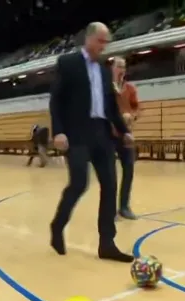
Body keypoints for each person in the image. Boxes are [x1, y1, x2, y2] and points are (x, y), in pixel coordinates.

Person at [49, 22, 134, 263]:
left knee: (109, 185)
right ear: (88, 39)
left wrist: (123, 130)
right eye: (100, 41)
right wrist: (59, 132)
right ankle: (58, 225)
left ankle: (107, 243)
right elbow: (56, 100)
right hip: (76, 134)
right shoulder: (68, 63)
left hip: (101, 133)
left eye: (106, 43)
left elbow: (110, 107)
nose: (104, 47)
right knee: (79, 183)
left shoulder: (105, 71)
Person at [111, 57, 139, 220]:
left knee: (128, 171)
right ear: (112, 68)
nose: (121, 70)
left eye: (124, 67)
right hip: (108, 135)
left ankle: (124, 207)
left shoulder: (130, 88)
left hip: (126, 136)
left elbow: (137, 107)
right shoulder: (106, 89)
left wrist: (132, 116)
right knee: (109, 175)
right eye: (118, 66)